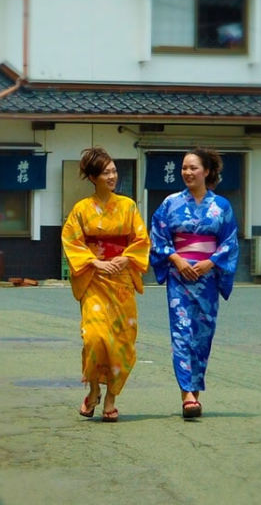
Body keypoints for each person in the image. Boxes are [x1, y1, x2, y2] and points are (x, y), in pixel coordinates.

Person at [62, 147, 150, 422]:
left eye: (114, 170)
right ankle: (93, 390)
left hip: (121, 280)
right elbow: (71, 241)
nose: (112, 176)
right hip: (95, 279)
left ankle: (110, 397)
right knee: (95, 337)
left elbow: (141, 240)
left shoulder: (128, 206)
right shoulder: (81, 209)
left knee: (122, 341)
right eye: (105, 172)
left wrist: (125, 259)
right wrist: (96, 263)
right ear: (93, 177)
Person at [150, 147, 239, 419]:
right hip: (179, 278)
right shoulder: (170, 203)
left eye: (193, 168)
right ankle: (186, 394)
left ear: (207, 172)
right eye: (184, 168)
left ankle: (195, 394)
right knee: (181, 333)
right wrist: (175, 259)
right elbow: (158, 238)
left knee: (202, 334)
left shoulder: (221, 206)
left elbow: (229, 242)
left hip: (207, 277)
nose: (187, 172)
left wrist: (210, 263)